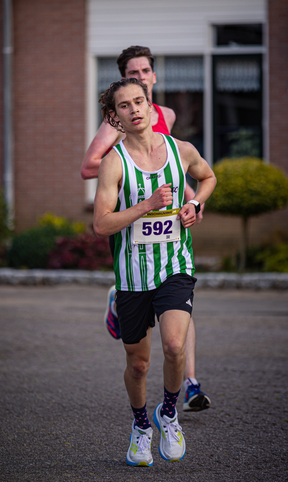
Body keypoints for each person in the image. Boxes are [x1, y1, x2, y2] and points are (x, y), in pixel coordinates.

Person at [93, 78, 216, 465]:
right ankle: (141, 425)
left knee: (175, 346)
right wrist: (145, 206)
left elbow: (208, 177)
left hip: (175, 266)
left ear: (150, 105)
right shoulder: (114, 163)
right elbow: (101, 224)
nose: (135, 109)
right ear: (115, 117)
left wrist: (196, 206)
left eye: (140, 101)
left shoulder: (182, 151)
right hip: (131, 276)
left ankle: (168, 411)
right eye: (125, 106)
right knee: (139, 363)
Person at [81, 45, 210, 413]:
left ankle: (189, 384)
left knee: (178, 322)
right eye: (132, 73)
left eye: (145, 72)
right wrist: (126, 173)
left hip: (169, 231)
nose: (140, 78)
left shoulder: (165, 115)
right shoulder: (118, 126)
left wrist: (190, 197)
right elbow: (90, 166)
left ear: (153, 78)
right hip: (132, 232)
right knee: (139, 360)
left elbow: (172, 164)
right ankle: (117, 300)